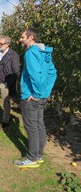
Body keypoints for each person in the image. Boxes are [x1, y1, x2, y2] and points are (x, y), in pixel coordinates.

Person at [14, 28, 57, 168]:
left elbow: (35, 75)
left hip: (32, 97)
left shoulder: (31, 53)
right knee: (39, 125)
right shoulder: (44, 52)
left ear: (30, 37)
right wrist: (45, 92)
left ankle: (32, 158)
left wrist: (37, 94)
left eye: (22, 37)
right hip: (42, 96)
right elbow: (53, 73)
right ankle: (38, 155)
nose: (20, 40)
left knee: (31, 127)